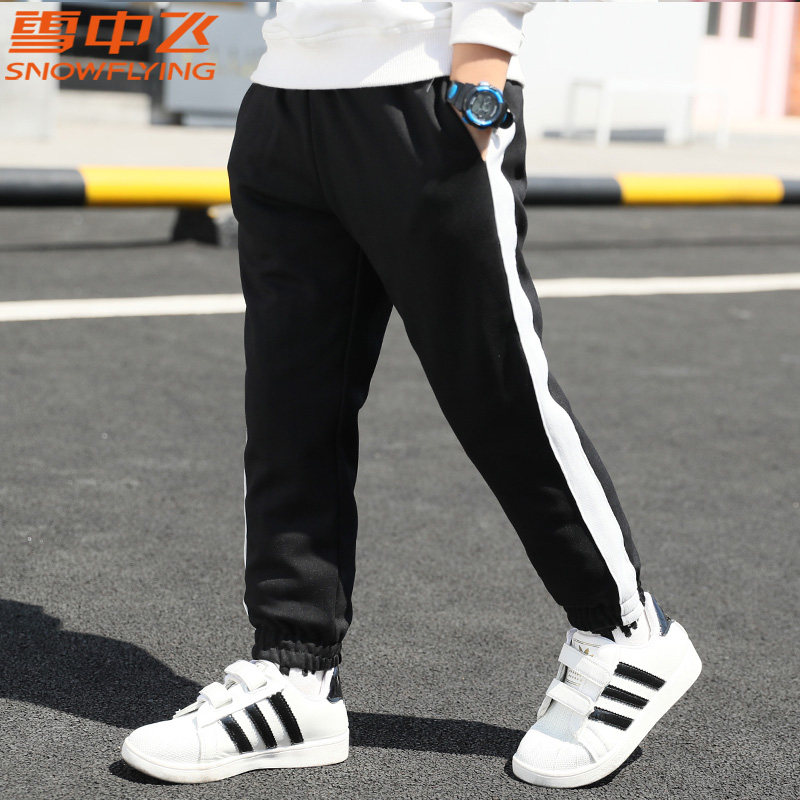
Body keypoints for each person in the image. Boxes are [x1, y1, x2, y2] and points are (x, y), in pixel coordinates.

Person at [120, 1, 700, 788]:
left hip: (424, 87)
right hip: (285, 93)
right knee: (291, 408)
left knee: (493, 385)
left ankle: (625, 633)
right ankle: (295, 672)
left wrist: (483, 58)